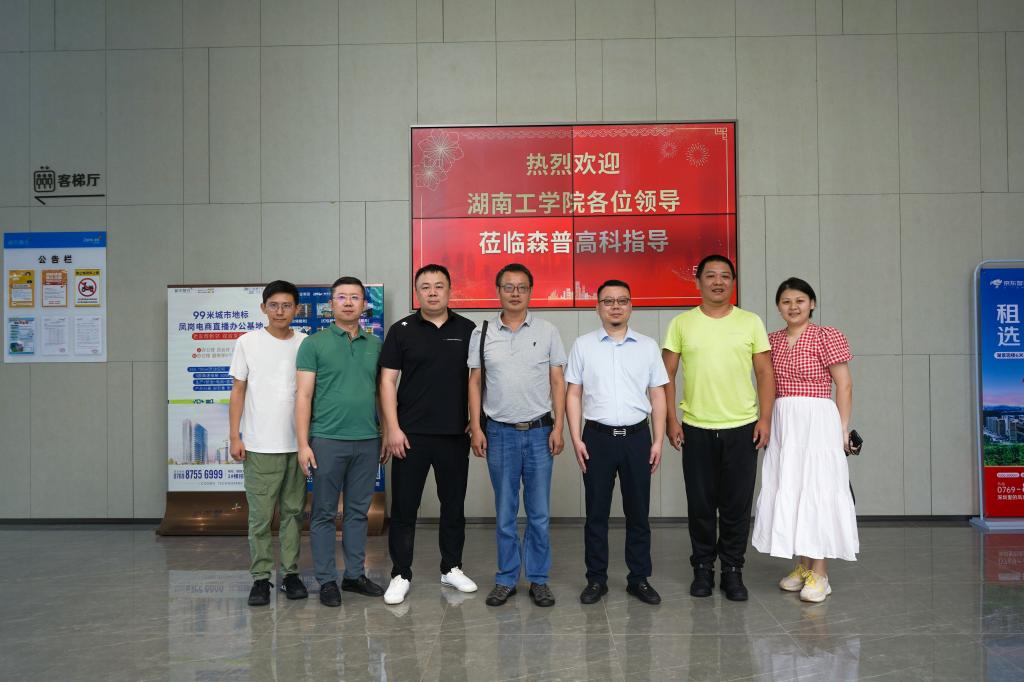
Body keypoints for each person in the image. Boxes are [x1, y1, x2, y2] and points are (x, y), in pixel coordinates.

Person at [662, 254, 775, 601]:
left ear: (733, 282)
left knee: (736, 506)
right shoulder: (682, 323)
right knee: (700, 505)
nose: (718, 282)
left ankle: (732, 570)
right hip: (696, 428)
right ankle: (702, 569)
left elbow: (765, 373)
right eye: (710, 275)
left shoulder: (750, 322)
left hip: (742, 427)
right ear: (698, 282)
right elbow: (665, 375)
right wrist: (670, 419)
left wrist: (765, 419)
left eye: (725, 276)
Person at [752, 277, 859, 602]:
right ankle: (803, 565)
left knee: (818, 490)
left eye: (800, 300)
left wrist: (842, 429)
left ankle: (820, 573)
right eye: (786, 301)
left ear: (811, 303)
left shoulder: (827, 336)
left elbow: (844, 384)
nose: (793, 306)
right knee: (793, 488)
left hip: (817, 421)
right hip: (785, 422)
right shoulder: (771, 340)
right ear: (778, 307)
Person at [467, 263, 567, 608]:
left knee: (539, 514)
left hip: (539, 433)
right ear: (498, 291)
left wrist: (558, 427)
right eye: (508, 287)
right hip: (499, 434)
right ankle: (506, 578)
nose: (515, 293)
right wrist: (476, 427)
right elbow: (475, 382)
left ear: (530, 292)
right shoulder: (482, 332)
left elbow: (558, 381)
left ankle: (538, 579)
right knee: (505, 513)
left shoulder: (548, 331)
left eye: (522, 287)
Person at [379, 264, 478, 605]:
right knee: (405, 507)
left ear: (450, 290)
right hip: (410, 436)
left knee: (454, 505)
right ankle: (400, 573)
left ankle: (451, 567)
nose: (432, 292)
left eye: (439, 286)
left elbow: (478, 379)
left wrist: (476, 420)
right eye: (425, 286)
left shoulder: (467, 329)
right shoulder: (401, 330)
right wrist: (392, 428)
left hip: (454, 434)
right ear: (417, 292)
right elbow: (387, 381)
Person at [566, 279, 668, 605]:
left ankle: (639, 579)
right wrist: (575, 438)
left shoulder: (648, 346)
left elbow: (658, 395)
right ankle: (596, 579)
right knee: (596, 513)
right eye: (608, 301)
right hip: (596, 438)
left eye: (622, 300)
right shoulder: (583, 345)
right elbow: (573, 393)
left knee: (638, 513)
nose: (615, 306)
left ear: (631, 306)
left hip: (638, 439)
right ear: (597, 307)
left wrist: (658, 440)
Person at [295, 276, 385, 607]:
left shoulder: (375, 344)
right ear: (330, 304)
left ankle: (354, 575)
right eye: (342, 297)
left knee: (358, 512)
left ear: (364, 305)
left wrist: (386, 432)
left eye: (355, 297)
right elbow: (303, 396)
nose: (348, 303)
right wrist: (303, 444)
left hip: (367, 440)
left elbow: (381, 393)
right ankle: (326, 580)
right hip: (327, 441)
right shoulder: (313, 344)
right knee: (323, 512)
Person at [229, 280, 308, 606]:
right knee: (260, 518)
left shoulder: (305, 343)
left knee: (293, 513)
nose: (280, 311)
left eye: (286, 305)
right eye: (273, 305)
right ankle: (261, 578)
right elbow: (238, 390)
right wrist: (235, 435)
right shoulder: (248, 342)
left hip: (297, 444)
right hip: (260, 445)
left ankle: (290, 574)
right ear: (263, 308)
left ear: (297, 309)